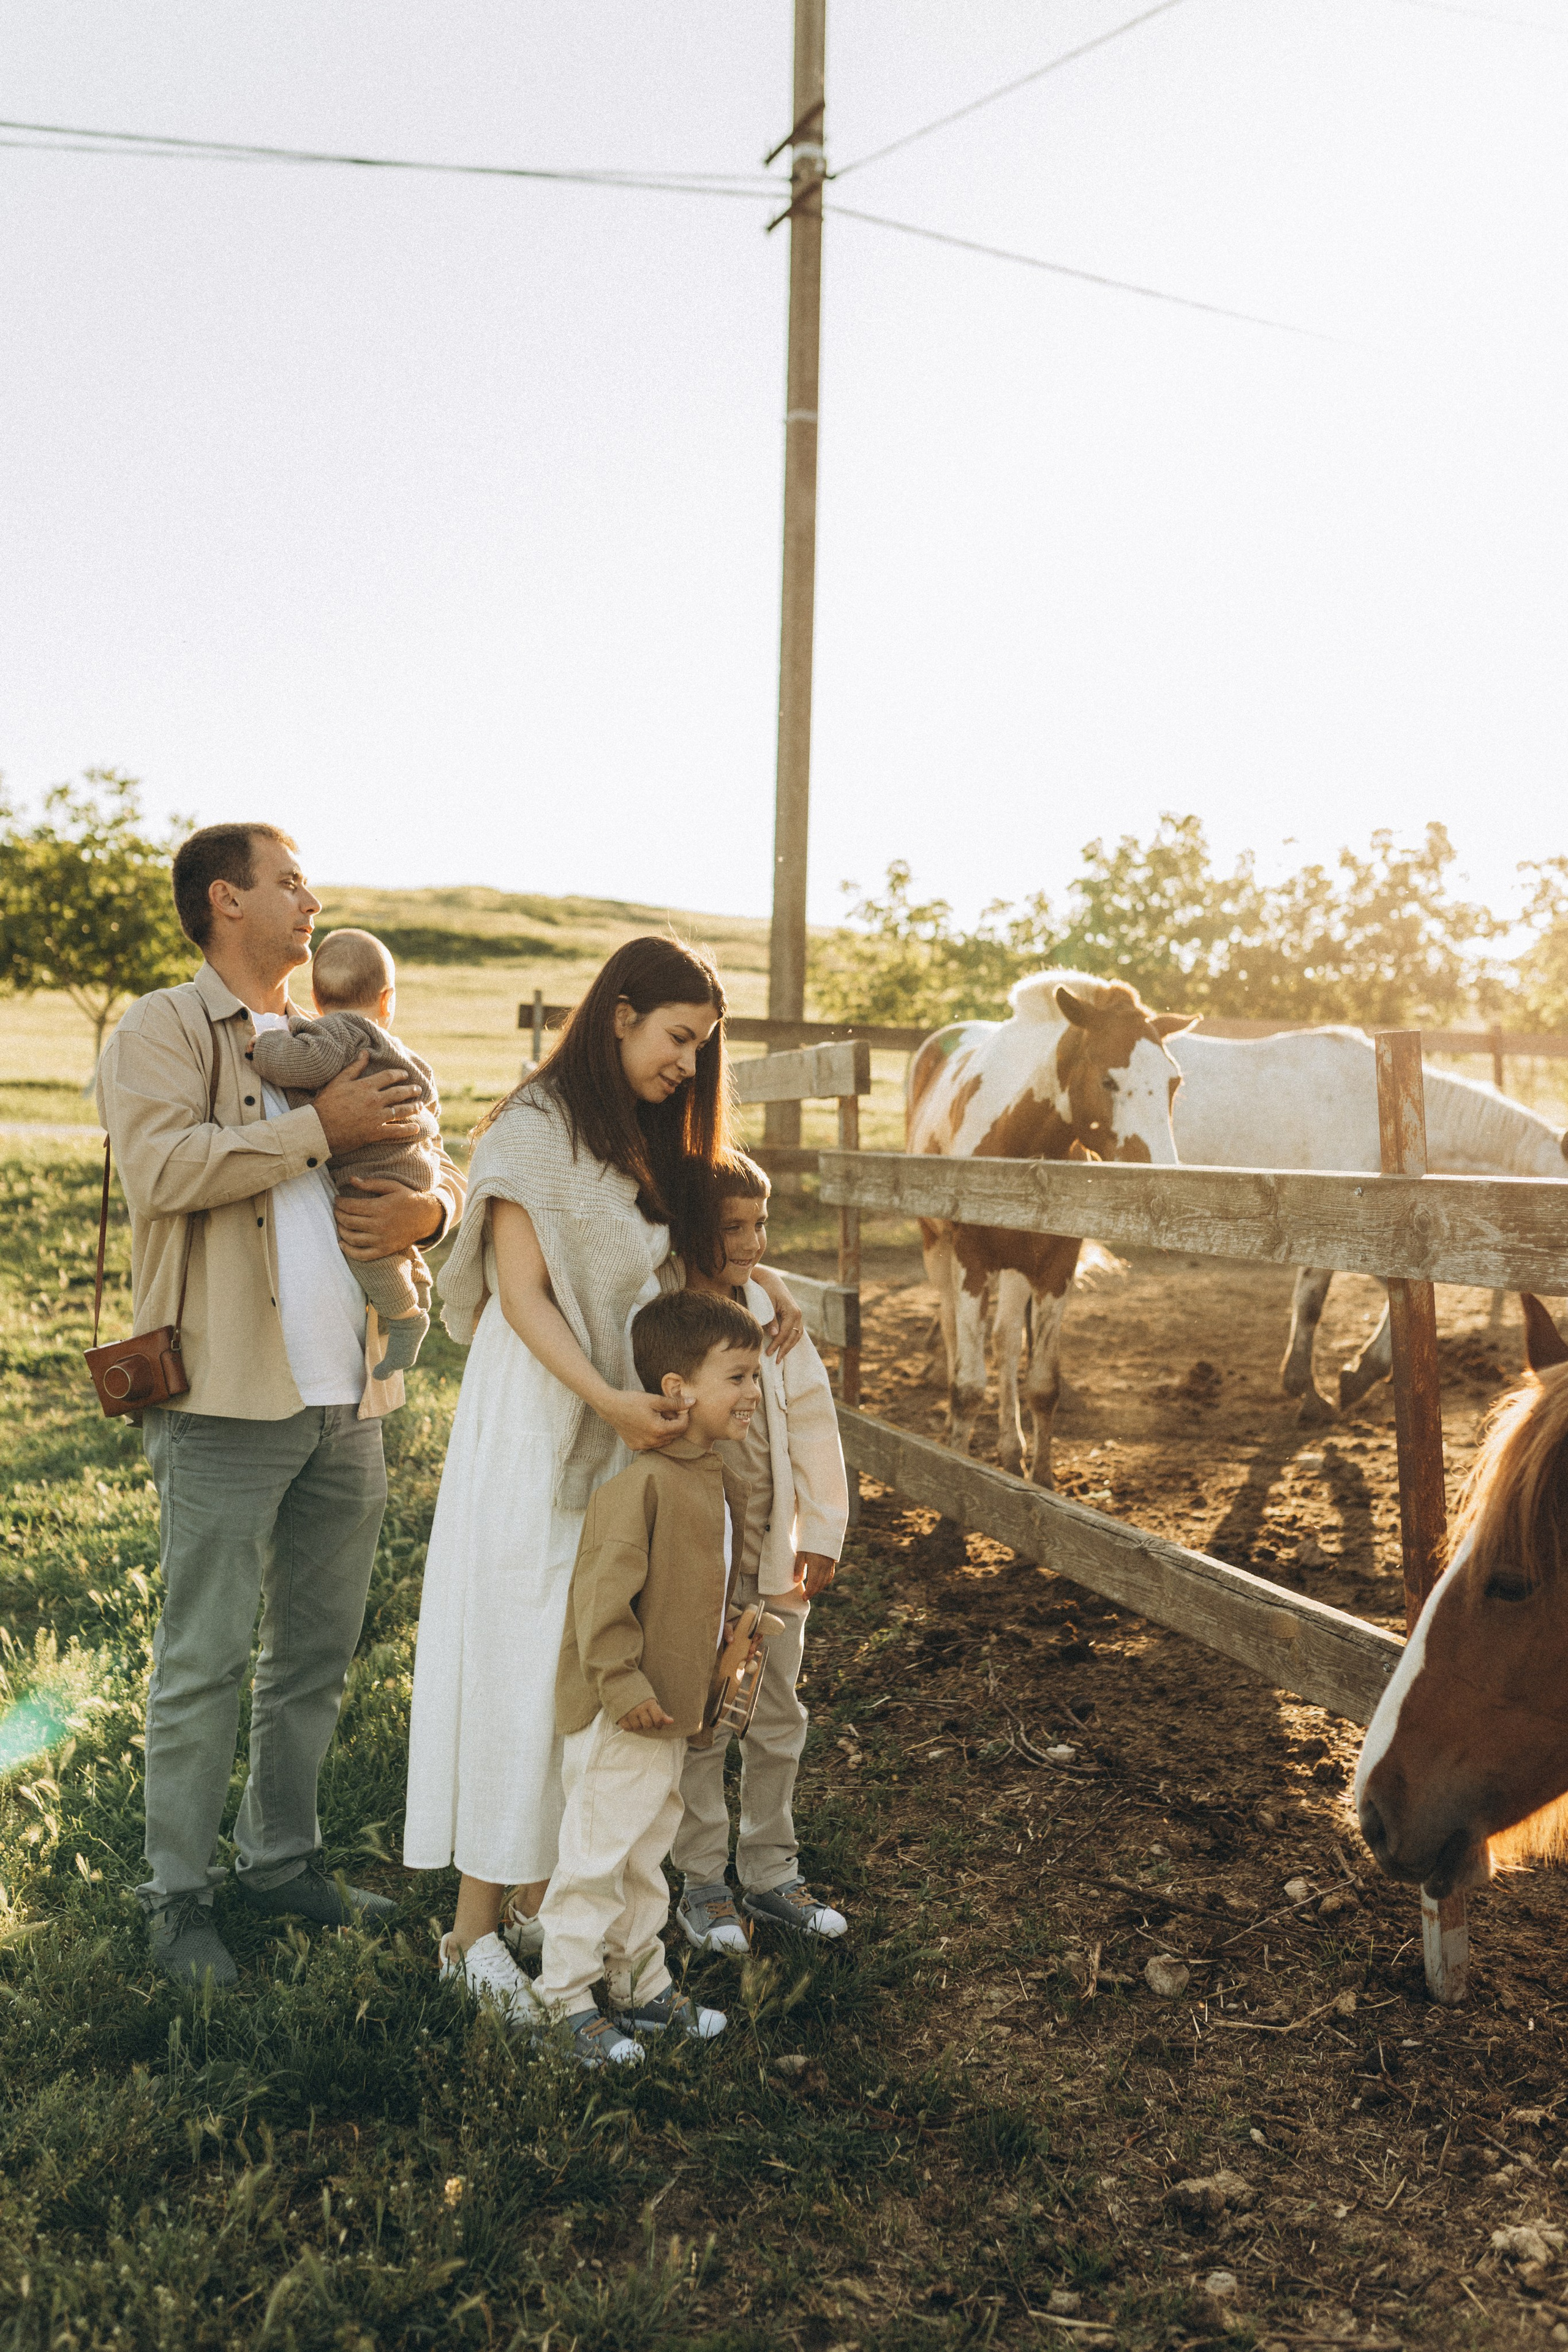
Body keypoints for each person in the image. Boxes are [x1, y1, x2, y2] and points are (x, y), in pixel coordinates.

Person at [402, 935, 802, 2030]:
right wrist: (609, 1400)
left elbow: (669, 1270)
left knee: (587, 1666)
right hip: (542, 1412)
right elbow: (525, 1296)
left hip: (620, 1418)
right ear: (620, 1012)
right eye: (678, 1038)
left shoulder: (644, 1138)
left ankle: (546, 1898)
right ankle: (472, 1932)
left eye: (701, 1048)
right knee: (527, 1656)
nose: (688, 1063)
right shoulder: (533, 1131)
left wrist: (753, 1285)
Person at [96, 823, 466, 1988]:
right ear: (227, 901)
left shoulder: (340, 1037)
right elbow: (159, 1170)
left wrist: (435, 1218)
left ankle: (282, 1862)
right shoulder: (161, 1026)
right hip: (222, 1396)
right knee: (203, 1657)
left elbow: (432, 1156)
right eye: (289, 880)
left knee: (314, 1651)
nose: (312, 899)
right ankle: (176, 1900)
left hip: (350, 1394)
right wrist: (321, 1130)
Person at [533, 1288, 769, 2066]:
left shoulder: (712, 1478)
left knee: (645, 1854)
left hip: (672, 1710)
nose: (751, 1392)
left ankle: (639, 1984)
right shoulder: (639, 1488)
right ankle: (565, 1998)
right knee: (597, 1856)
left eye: (754, 1375)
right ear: (678, 1389)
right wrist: (625, 1686)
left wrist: (724, 1656)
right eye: (735, 1376)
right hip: (624, 1712)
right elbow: (600, 1600)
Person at [669, 1153, 850, 1951]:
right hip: (700, 1569)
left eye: (760, 1226)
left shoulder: (777, 1327)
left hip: (777, 1564)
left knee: (778, 1717)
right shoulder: (667, 1321)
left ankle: (773, 1871)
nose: (750, 1242)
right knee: (702, 1725)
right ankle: (702, 1882)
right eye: (731, 1227)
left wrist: (826, 1533)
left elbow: (813, 1424)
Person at [249, 927, 440, 1379]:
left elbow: (304, 1064)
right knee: (389, 1237)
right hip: (412, 1167)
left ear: (315, 999)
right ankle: (416, 1282)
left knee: (363, 1246)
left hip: (374, 1170)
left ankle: (405, 1318)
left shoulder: (338, 1031)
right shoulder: (395, 1049)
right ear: (386, 1000)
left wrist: (266, 1050)